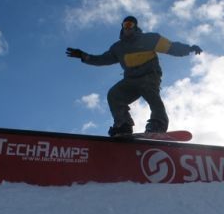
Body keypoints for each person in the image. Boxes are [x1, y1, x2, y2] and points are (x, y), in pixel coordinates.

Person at [66, 16, 202, 136]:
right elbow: (103, 59)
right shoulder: (118, 47)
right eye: (126, 25)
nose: (128, 28)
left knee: (151, 93)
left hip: (149, 75)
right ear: (122, 28)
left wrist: (189, 48)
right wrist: (84, 56)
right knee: (114, 94)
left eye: (131, 25)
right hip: (131, 80)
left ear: (136, 27)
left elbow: (171, 47)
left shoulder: (150, 39)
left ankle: (158, 123)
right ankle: (123, 124)